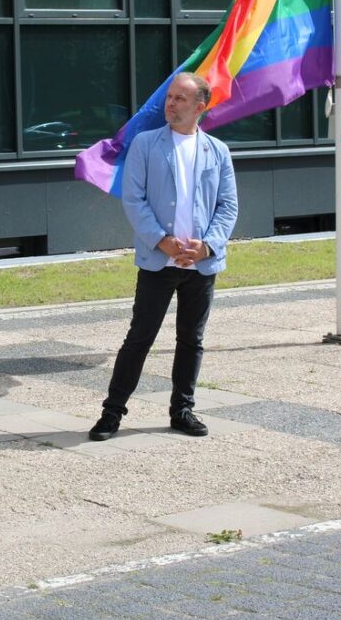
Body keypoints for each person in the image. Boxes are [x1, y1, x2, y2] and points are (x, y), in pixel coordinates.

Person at [89, 72, 238, 441]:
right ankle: (112, 413)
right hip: (159, 262)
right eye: (170, 97)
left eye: (180, 99)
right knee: (140, 337)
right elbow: (133, 199)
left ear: (199, 107)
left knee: (192, 339)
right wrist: (162, 240)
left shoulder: (217, 151)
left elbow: (228, 205)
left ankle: (182, 410)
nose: (170, 104)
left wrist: (207, 246)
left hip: (200, 264)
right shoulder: (145, 144)